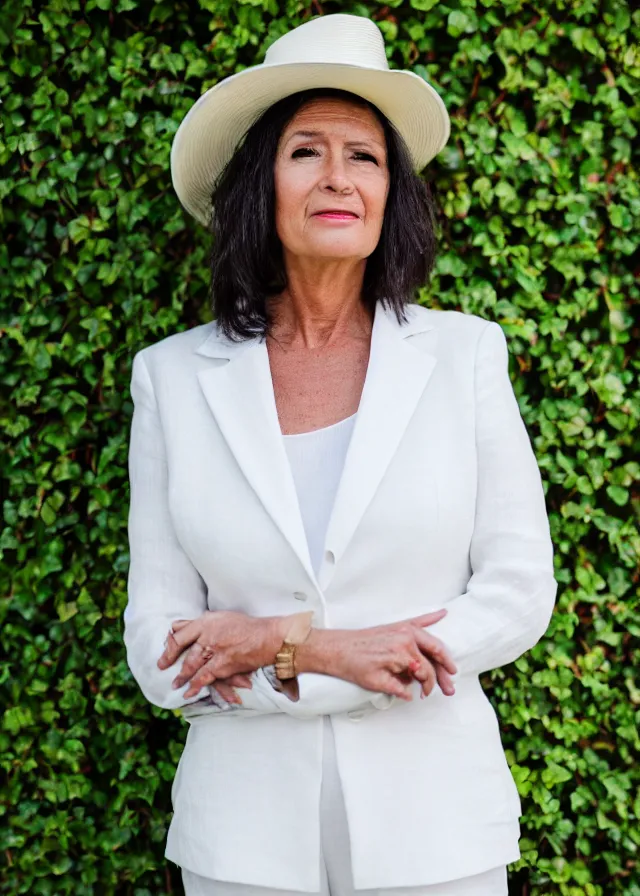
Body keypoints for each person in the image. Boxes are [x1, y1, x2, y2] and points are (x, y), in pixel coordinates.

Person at [123, 13, 557, 896]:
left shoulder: (466, 355)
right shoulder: (170, 378)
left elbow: (517, 591)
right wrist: (321, 652)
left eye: (363, 156)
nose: (338, 178)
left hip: (438, 833)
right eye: (305, 151)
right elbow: (154, 648)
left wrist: (271, 647)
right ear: (261, 185)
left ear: (391, 190)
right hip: (240, 845)